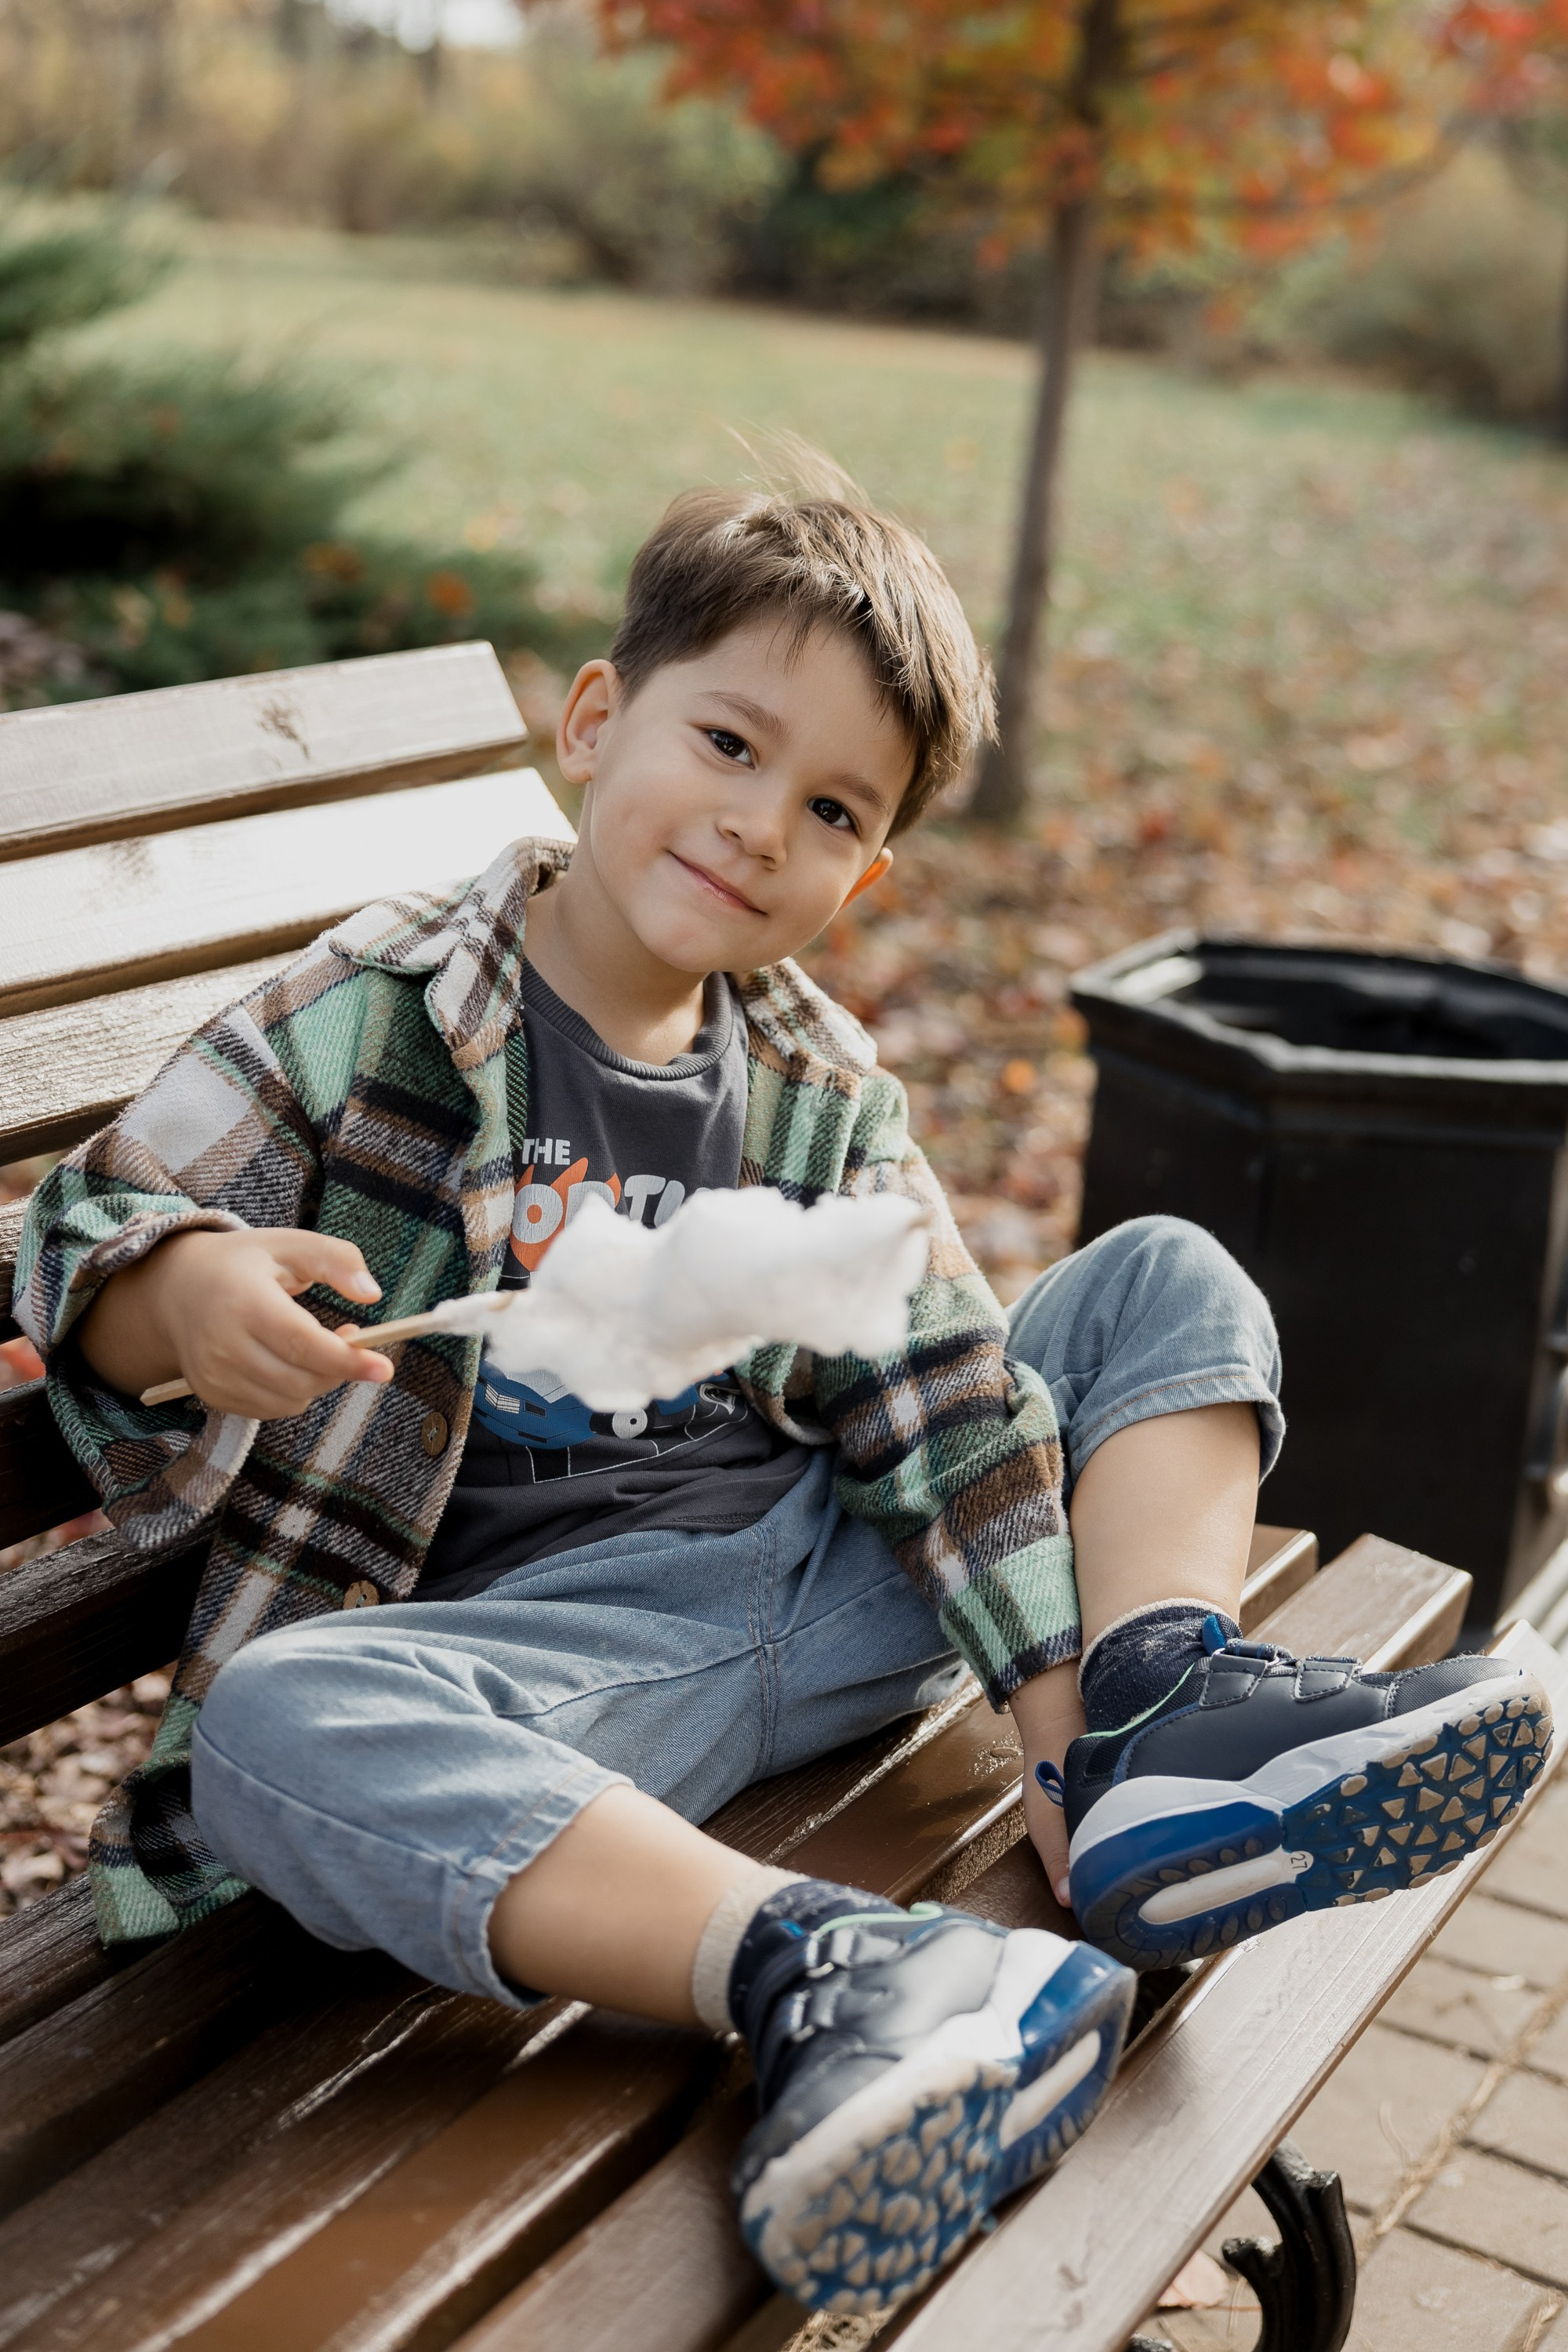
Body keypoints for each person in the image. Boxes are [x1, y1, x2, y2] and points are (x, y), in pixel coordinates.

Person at [16, 475, 1550, 2318]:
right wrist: (177, 1296)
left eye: (829, 808)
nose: (758, 826)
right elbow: (88, 1220)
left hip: (832, 1587)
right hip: (566, 1682)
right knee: (272, 1723)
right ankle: (837, 1973)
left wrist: (1058, 1747)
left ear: (866, 872)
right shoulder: (381, 1013)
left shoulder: (816, 1087)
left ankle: (1161, 1735)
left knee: (1162, 1272)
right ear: (597, 722)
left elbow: (952, 1406)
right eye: (728, 742)